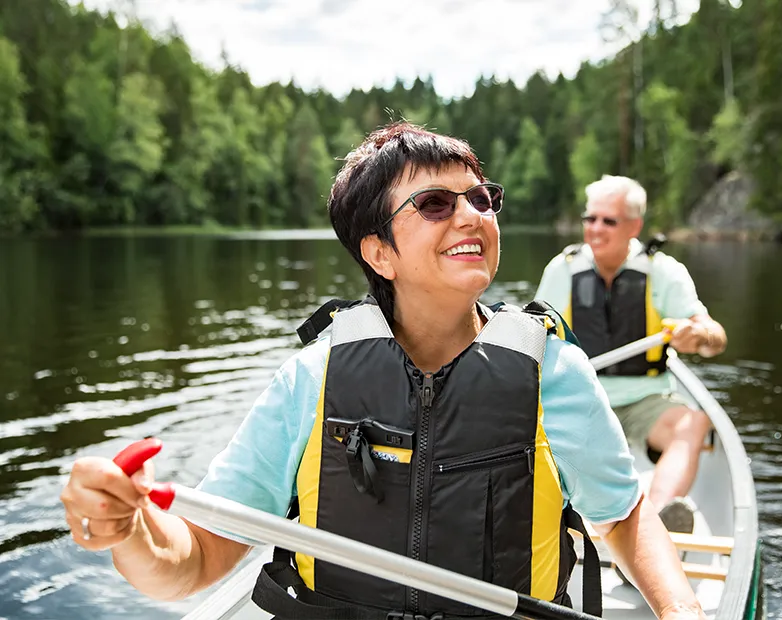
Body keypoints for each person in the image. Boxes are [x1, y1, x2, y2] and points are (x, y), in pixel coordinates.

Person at [60, 124, 705, 620]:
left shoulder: (554, 372)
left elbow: (621, 518)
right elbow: (193, 561)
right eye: (433, 203)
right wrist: (132, 531)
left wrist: (679, 610)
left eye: (481, 197)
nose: (472, 214)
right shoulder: (311, 380)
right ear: (379, 252)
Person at [535, 175, 727, 534]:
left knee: (694, 423)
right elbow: (535, 337)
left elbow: (715, 336)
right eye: (590, 218)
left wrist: (698, 334)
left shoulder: (664, 272)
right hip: (579, 397)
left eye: (609, 220)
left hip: (644, 400)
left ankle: (653, 524)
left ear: (634, 226)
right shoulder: (562, 270)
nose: (595, 229)